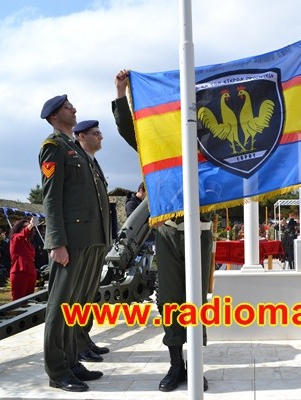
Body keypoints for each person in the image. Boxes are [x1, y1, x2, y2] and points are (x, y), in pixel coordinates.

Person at [113, 69, 212, 392]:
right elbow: (131, 131)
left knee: (195, 301)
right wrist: (121, 93)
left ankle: (196, 366)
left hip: (201, 229)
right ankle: (175, 364)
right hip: (168, 232)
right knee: (170, 299)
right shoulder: (160, 146)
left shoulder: (214, 145)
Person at [39, 95, 111, 392]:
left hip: (90, 239)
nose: (75, 110)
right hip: (70, 241)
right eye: (69, 108)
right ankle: (57, 371)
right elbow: (51, 197)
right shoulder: (53, 147)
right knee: (60, 307)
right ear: (55, 116)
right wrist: (56, 241)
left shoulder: (75, 150)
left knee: (76, 305)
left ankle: (70, 361)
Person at [72, 119, 111, 364]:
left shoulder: (92, 163)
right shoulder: (76, 159)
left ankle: (84, 338)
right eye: (96, 133)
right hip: (82, 238)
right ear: (82, 137)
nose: (101, 137)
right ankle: (75, 345)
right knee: (77, 296)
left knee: (88, 295)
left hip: (97, 239)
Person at [9, 218, 38, 300]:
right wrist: (31, 224)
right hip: (19, 272)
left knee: (30, 300)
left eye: (28, 226)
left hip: (31, 273)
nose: (28, 228)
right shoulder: (15, 238)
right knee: (18, 301)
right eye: (24, 226)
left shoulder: (28, 242)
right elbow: (22, 234)